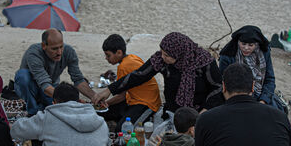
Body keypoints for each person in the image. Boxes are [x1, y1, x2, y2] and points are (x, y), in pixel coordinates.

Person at [93, 32, 223, 113]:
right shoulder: (161, 60)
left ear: (180, 54)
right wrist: (109, 90)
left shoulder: (203, 62)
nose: (162, 57)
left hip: (200, 112)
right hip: (173, 112)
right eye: (161, 52)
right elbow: (139, 75)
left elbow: (217, 88)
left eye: (167, 55)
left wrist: (205, 111)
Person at [14, 29, 97, 116]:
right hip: (33, 87)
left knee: (60, 111)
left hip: (52, 88)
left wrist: (95, 97)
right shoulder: (34, 53)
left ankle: (41, 105)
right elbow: (44, 85)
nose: (59, 52)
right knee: (22, 76)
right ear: (43, 46)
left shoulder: (69, 52)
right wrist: (71, 101)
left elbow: (78, 80)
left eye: (61, 47)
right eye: (54, 49)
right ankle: (32, 111)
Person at [101, 34, 162, 129]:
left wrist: (106, 103)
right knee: (109, 112)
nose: (106, 58)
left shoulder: (123, 66)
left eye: (108, 55)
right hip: (135, 100)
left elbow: (121, 96)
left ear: (119, 52)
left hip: (147, 104)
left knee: (122, 128)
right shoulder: (132, 57)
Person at [218, 26, 282, 110]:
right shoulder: (227, 56)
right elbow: (223, 82)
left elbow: (269, 79)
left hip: (261, 96)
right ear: (238, 42)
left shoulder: (264, 53)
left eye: (250, 45)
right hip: (235, 97)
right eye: (243, 44)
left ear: (256, 44)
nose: (246, 48)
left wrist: (263, 101)